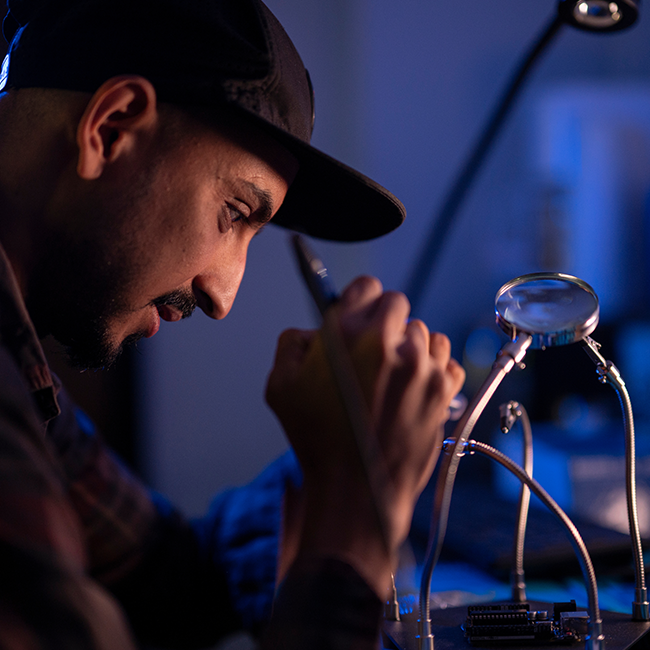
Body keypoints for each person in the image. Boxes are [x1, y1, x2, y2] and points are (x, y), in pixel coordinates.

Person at [0, 0, 465, 648]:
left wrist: (345, 450)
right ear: (111, 128)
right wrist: (357, 523)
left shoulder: (22, 372)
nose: (224, 295)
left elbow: (171, 578)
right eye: (235, 211)